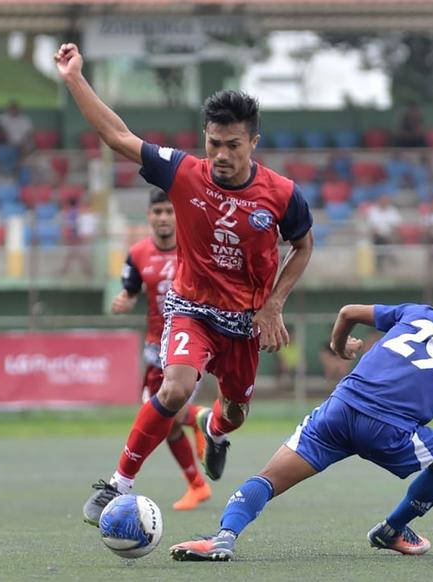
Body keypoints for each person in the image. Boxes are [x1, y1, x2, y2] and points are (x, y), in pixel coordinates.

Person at [55, 43, 315, 526]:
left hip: (246, 323)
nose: (220, 154)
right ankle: (117, 484)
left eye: (232, 145)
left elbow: (303, 246)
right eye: (213, 143)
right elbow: (117, 135)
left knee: (235, 412)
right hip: (191, 307)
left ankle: (215, 432)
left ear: (253, 142)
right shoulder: (183, 172)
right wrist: (74, 78)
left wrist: (275, 304)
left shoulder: (281, 195)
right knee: (174, 391)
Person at [169, 280, 433, 561]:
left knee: (269, 478)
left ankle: (222, 538)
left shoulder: (421, 313)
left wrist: (338, 347)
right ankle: (392, 530)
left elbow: (348, 311)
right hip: (388, 431)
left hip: (340, 409)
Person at [110, 189, 212, 510]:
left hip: (188, 343)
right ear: (149, 216)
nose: (164, 218)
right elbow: (130, 290)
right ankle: (197, 484)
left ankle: (199, 420)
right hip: (155, 348)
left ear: (177, 215)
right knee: (163, 421)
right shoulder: (138, 254)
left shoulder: (192, 248)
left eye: (169, 211)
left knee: (166, 412)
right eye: (158, 212)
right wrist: (124, 300)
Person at [366, 195, 402, 272]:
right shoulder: (373, 211)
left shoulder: (393, 211)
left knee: (385, 241)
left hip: (390, 235)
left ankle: (380, 263)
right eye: (382, 201)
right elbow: (372, 227)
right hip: (378, 235)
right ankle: (390, 255)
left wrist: (391, 233)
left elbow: (397, 225)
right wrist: (380, 233)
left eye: (386, 201)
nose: (384, 203)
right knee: (380, 240)